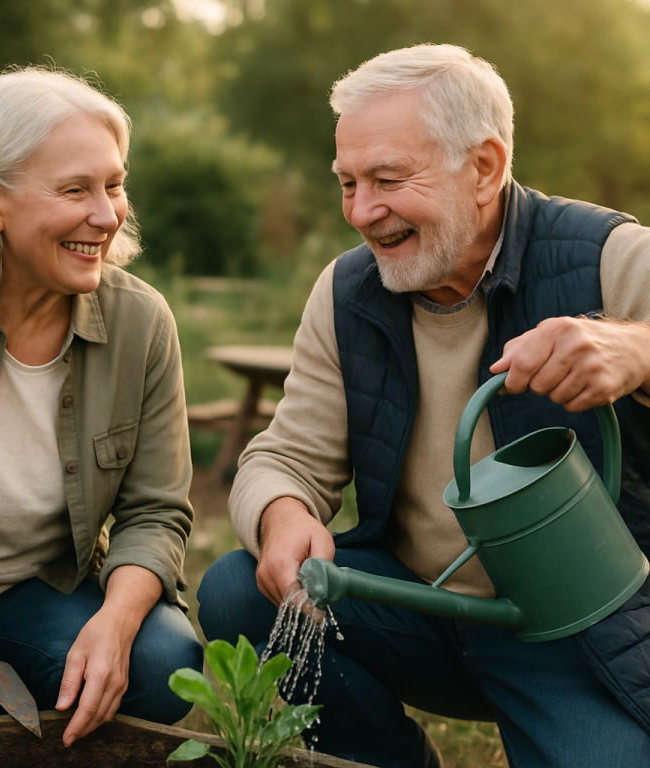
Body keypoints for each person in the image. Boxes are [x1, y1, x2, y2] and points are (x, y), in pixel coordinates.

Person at [197, 44, 650, 768]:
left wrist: (637, 350)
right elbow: (285, 456)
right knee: (236, 591)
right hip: (422, 608)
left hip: (581, 629)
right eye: (348, 183)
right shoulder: (346, 292)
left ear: (485, 168)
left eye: (387, 179)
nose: (362, 211)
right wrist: (282, 514)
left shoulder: (611, 256)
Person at [0, 66, 203, 746]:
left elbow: (155, 512)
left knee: (159, 662)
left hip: (24, 601)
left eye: (114, 185)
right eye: (75, 190)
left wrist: (116, 624)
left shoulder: (142, 324)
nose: (107, 215)